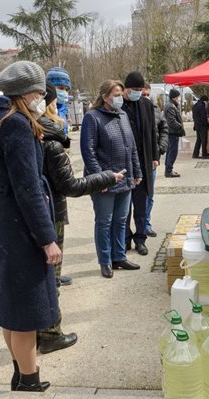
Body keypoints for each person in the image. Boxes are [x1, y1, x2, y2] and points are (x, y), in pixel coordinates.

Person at [0, 60, 60, 392]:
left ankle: (19, 372)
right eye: (39, 92)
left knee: (10, 307)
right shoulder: (16, 125)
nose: (42, 98)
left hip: (0, 218)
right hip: (19, 226)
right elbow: (28, 189)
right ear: (25, 93)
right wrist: (47, 239)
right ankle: (29, 380)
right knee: (25, 311)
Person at [36, 81, 122, 354]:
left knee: (44, 275)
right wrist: (107, 177)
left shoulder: (29, 131)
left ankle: (37, 329)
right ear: (50, 103)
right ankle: (50, 332)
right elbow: (70, 185)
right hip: (50, 213)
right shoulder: (49, 138)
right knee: (51, 275)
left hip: (39, 210)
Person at [80, 80, 143, 279]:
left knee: (121, 220)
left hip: (125, 179)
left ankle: (119, 256)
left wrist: (136, 172)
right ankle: (105, 260)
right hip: (105, 181)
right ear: (105, 96)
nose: (119, 97)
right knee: (104, 222)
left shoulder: (123, 115)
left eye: (120, 93)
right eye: (115, 94)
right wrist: (101, 178)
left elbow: (131, 148)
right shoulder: (93, 118)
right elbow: (88, 152)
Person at [121, 72, 159, 256]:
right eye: (134, 90)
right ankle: (126, 238)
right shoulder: (118, 105)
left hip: (143, 161)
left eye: (140, 90)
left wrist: (155, 155)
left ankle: (141, 238)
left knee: (141, 204)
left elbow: (153, 131)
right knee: (125, 205)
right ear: (125, 89)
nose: (138, 93)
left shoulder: (146, 105)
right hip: (124, 162)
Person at [46, 66, 73, 285]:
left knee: (57, 237)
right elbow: (69, 184)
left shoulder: (62, 112)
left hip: (55, 186)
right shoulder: (46, 123)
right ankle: (52, 283)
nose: (62, 93)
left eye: (65, 88)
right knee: (52, 238)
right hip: (52, 191)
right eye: (59, 88)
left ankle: (55, 276)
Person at [142, 83, 168, 238]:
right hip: (136, 160)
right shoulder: (129, 110)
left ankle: (146, 223)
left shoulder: (156, 110)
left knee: (149, 195)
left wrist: (160, 149)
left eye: (147, 94)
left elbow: (164, 129)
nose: (145, 97)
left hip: (152, 159)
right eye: (142, 94)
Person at [164, 88, 185, 178]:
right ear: (174, 97)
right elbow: (171, 121)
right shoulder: (170, 106)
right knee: (172, 151)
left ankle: (169, 169)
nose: (179, 98)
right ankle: (168, 170)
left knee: (170, 151)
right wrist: (180, 127)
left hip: (173, 132)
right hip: (173, 133)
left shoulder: (172, 105)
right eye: (178, 97)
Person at [46, 67, 71, 132]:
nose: (64, 92)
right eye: (61, 88)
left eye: (66, 89)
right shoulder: (41, 111)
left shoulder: (64, 109)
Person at [192, 95, 209, 159]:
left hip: (197, 125)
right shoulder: (201, 106)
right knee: (204, 140)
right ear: (205, 101)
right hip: (202, 126)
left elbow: (194, 117)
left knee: (199, 140)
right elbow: (203, 117)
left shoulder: (195, 106)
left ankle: (195, 154)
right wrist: (207, 124)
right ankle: (204, 154)